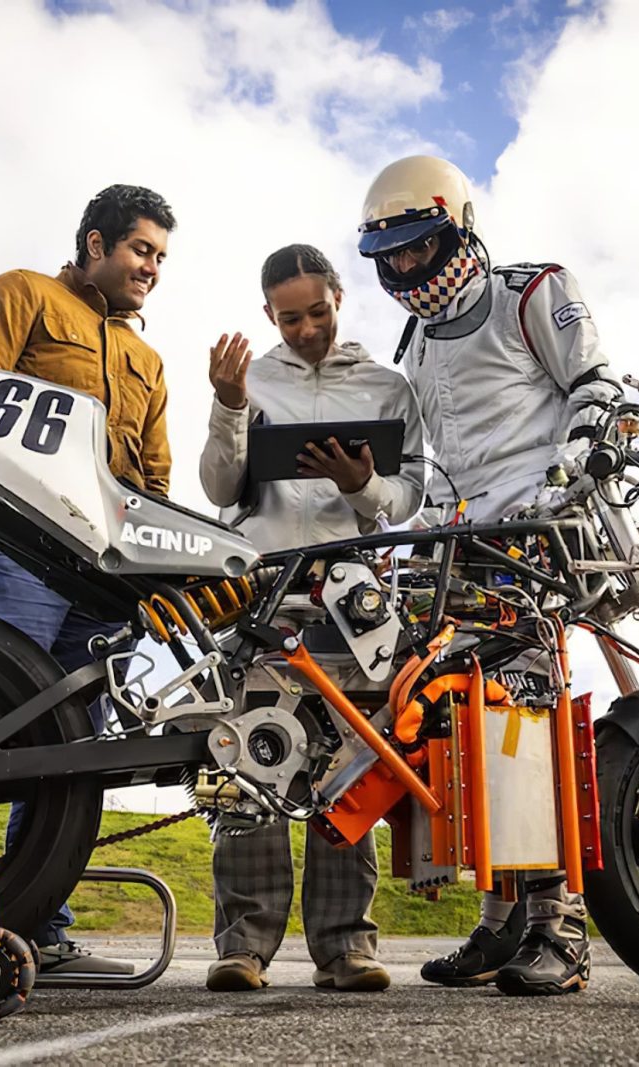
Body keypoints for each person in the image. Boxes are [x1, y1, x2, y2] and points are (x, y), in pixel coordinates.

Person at [356, 155, 628, 996]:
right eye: (390, 255)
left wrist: (579, 467)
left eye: (418, 247)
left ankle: (561, 928)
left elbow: (598, 385)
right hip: (461, 551)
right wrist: (417, 542)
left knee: (528, 730)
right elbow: (440, 465)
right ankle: (500, 922)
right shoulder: (414, 347)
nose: (406, 268)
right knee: (455, 737)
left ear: (458, 227)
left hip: (539, 537)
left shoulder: (531, 291)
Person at [0, 183, 176, 977]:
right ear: (95, 243)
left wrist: (151, 574)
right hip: (18, 550)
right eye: (142, 250)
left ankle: (39, 924)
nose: (152, 268)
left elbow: (153, 477)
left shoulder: (148, 361)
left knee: (74, 748)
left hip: (104, 576)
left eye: (160, 258)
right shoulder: (22, 296)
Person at [198, 244, 426, 993]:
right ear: (269, 313)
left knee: (348, 769)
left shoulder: (388, 387)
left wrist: (365, 486)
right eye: (289, 318)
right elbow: (219, 485)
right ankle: (244, 947)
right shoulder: (250, 380)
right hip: (263, 599)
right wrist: (230, 406)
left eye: (317, 313)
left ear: (339, 296)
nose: (305, 329)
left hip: (352, 602)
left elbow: (410, 495)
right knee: (251, 767)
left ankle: (346, 947)